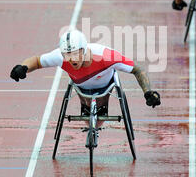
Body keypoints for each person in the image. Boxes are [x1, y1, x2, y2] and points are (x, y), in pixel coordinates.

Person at [10, 30, 161, 119]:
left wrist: (148, 92)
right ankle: (87, 109)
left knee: (99, 116)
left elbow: (138, 69)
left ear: (84, 49)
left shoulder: (105, 55)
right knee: (87, 117)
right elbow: (36, 61)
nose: (71, 59)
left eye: (75, 54)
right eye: (67, 55)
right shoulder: (60, 56)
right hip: (80, 88)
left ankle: (98, 111)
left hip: (106, 88)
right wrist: (23, 67)